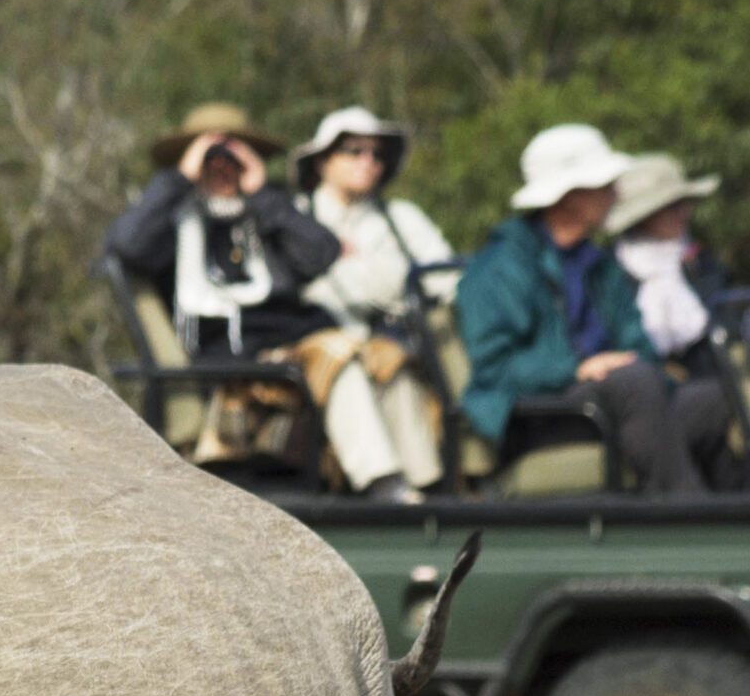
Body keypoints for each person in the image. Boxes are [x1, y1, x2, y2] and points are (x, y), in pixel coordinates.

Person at [105, 101, 435, 499]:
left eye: (235, 157)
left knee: (385, 359)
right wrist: (181, 176)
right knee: (340, 354)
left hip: (298, 346)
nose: (224, 167)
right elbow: (125, 246)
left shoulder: (268, 213)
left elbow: (321, 253)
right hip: (236, 362)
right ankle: (386, 487)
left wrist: (261, 193)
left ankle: (428, 489)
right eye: (213, 157)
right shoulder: (170, 228)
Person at [458, 124, 728, 497]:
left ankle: (736, 524)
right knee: (634, 383)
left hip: (621, 401)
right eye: (604, 185)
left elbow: (638, 345)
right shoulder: (499, 268)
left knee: (716, 398)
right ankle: (695, 525)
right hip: (543, 415)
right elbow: (495, 370)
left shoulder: (601, 265)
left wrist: (636, 367)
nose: (617, 193)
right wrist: (578, 369)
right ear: (568, 196)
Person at [289, 104, 456, 492]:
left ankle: (424, 493)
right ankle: (383, 482)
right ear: (322, 162)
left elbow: (446, 280)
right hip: (318, 346)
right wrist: (389, 280)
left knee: (396, 368)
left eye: (377, 154)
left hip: (387, 347)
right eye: (354, 151)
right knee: (345, 360)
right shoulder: (294, 216)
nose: (369, 162)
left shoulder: (401, 218)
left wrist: (356, 273)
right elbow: (298, 289)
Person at [605, 153, 731, 362]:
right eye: (671, 207)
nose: (683, 213)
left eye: (683, 203)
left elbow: (725, 316)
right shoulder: (612, 270)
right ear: (644, 216)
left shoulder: (698, 259)